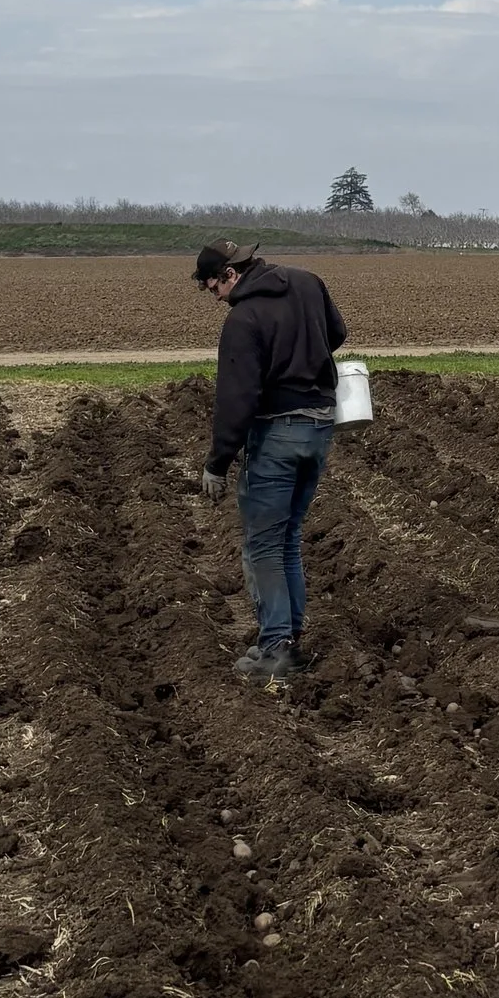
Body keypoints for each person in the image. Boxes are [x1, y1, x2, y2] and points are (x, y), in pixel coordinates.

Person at [195, 241, 346, 689]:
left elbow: (236, 400)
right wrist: (305, 357)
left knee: (263, 544)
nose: (216, 298)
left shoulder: (243, 320)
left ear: (229, 274)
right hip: (320, 427)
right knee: (289, 538)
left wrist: (217, 462)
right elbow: (336, 333)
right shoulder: (307, 281)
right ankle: (290, 637)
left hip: (277, 433)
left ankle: (277, 647)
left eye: (212, 288)